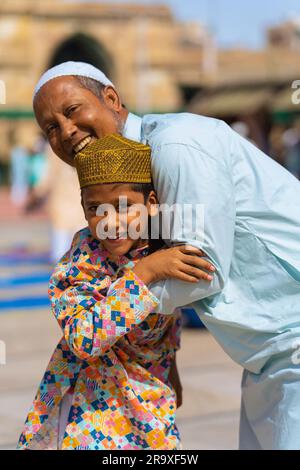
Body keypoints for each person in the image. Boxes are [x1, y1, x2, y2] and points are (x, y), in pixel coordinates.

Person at [32, 62, 300, 450]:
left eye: (71, 111)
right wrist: (162, 357)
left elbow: (200, 268)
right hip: (267, 357)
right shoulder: (119, 204)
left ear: (111, 98)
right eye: (50, 127)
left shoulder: (174, 147)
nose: (66, 131)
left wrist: (141, 276)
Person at [17, 134, 214, 450]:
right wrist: (145, 274)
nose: (111, 221)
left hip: (149, 397)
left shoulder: (161, 244)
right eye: (96, 208)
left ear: (150, 205)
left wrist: (171, 366)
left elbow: (170, 311)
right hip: (92, 407)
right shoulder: (82, 261)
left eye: (124, 207)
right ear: (83, 208)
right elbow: (84, 339)